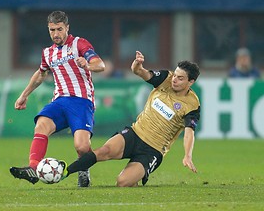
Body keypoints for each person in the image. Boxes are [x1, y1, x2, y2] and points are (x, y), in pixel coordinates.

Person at [60, 51, 200, 187]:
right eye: (175, 75)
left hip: (153, 150)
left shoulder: (192, 104)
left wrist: (188, 155)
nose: (174, 79)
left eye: (180, 78)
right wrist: (137, 65)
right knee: (104, 151)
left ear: (191, 82)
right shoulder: (165, 79)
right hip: (135, 133)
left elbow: (189, 132)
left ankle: (138, 174)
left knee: (123, 182)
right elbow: (140, 72)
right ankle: (65, 172)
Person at [9, 11, 105, 187]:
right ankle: (33, 168)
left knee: (82, 147)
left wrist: (88, 65)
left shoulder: (79, 44)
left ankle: (83, 170)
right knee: (41, 125)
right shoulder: (48, 53)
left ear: (67, 28)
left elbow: (100, 65)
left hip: (81, 101)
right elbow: (41, 74)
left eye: (59, 29)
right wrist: (24, 95)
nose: (55, 34)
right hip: (60, 101)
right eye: (52, 30)